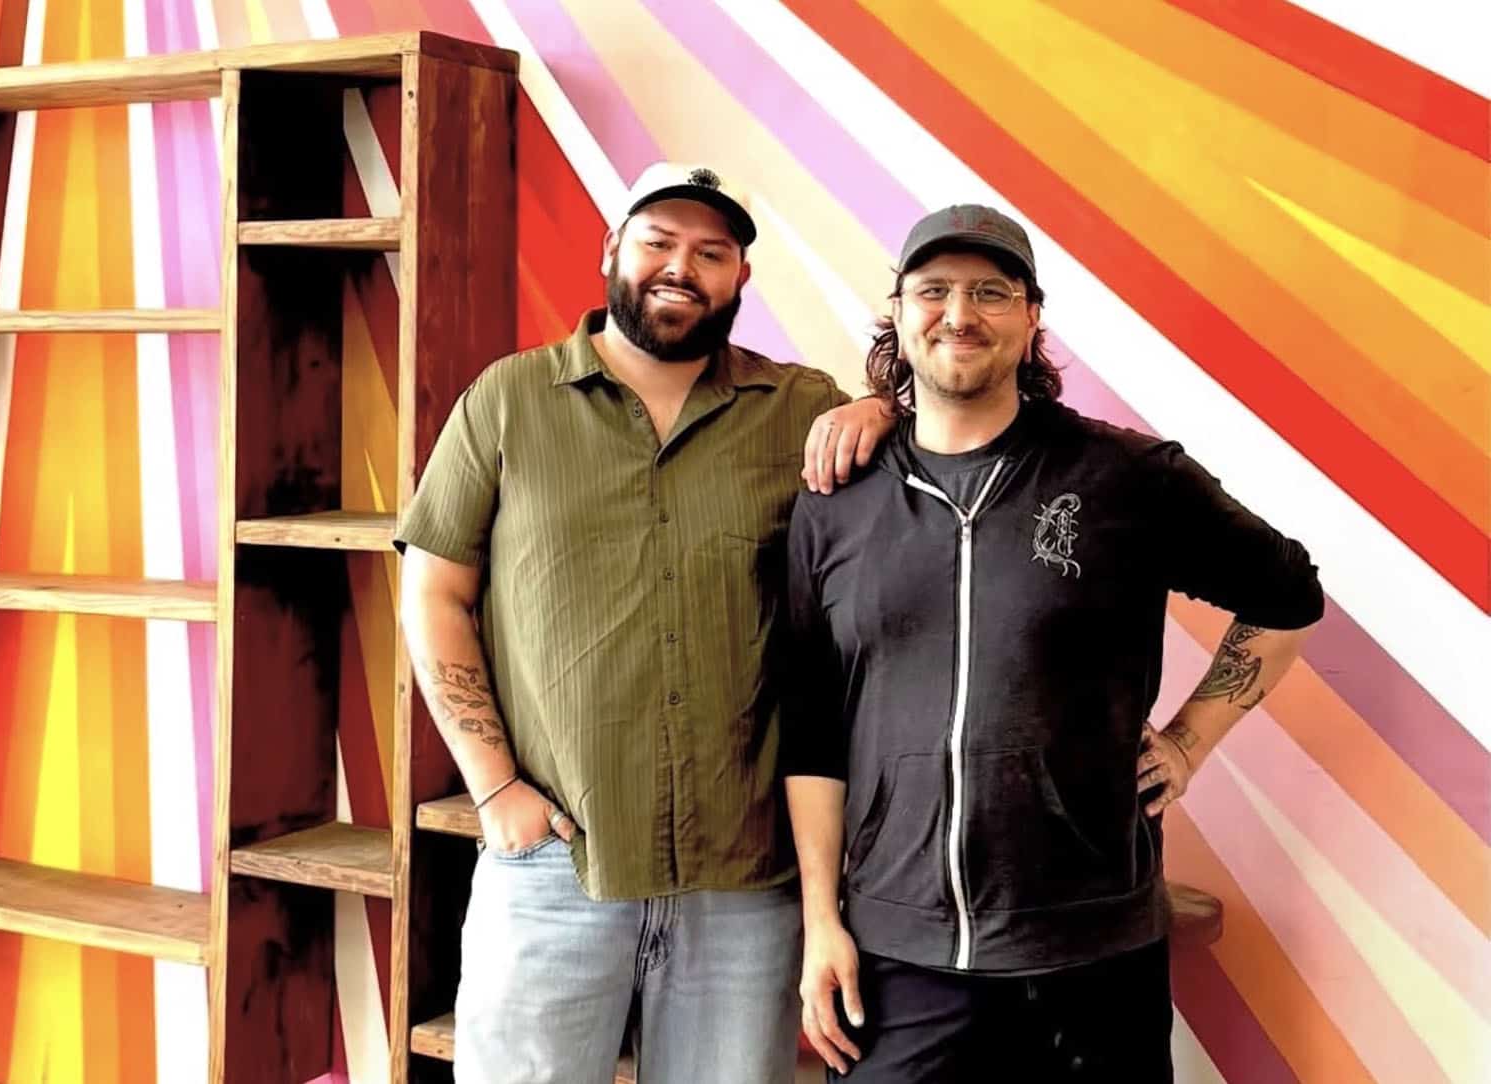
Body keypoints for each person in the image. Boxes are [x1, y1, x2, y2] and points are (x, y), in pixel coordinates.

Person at [783, 204, 1323, 1082]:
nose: (960, 314)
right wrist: (821, 922)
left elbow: (1288, 596)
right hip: (898, 954)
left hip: (1094, 953)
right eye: (934, 290)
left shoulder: (1126, 478)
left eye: (992, 292)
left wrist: (1189, 742)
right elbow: (811, 727)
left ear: (1033, 316)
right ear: (899, 312)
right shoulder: (836, 502)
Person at [396, 162, 893, 1084]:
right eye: (659, 242)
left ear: (740, 277)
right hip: (554, 860)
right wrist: (494, 789)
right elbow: (433, 593)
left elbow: (933, 463)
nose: (681, 268)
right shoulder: (507, 401)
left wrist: (879, 407)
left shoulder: (800, 409)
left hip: (744, 881)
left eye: (711, 253)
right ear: (612, 251)